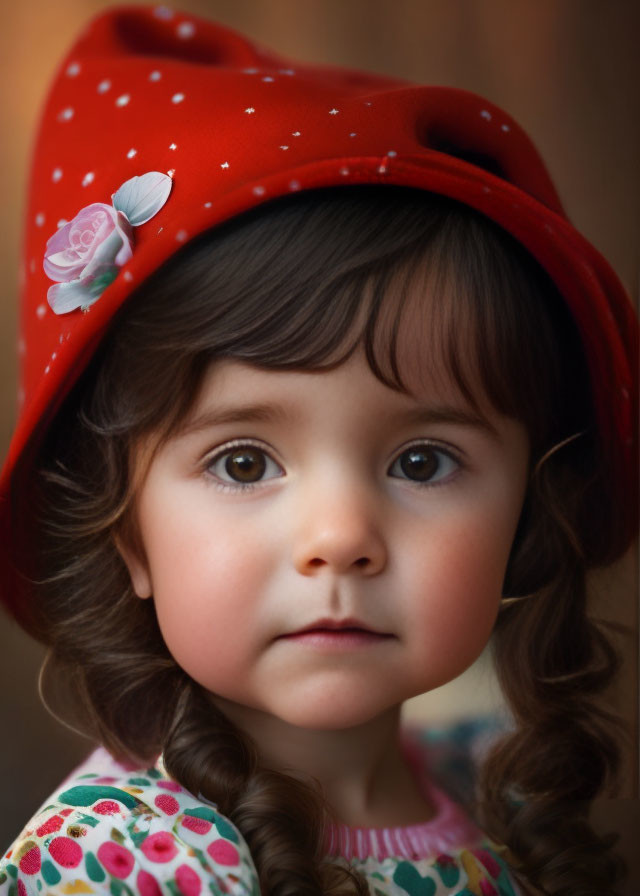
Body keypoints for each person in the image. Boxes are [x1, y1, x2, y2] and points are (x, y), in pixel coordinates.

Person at [0, 6, 637, 896]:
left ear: (527, 510)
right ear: (125, 531)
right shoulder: (127, 862)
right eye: (244, 462)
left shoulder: (505, 798)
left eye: (421, 461)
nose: (340, 537)